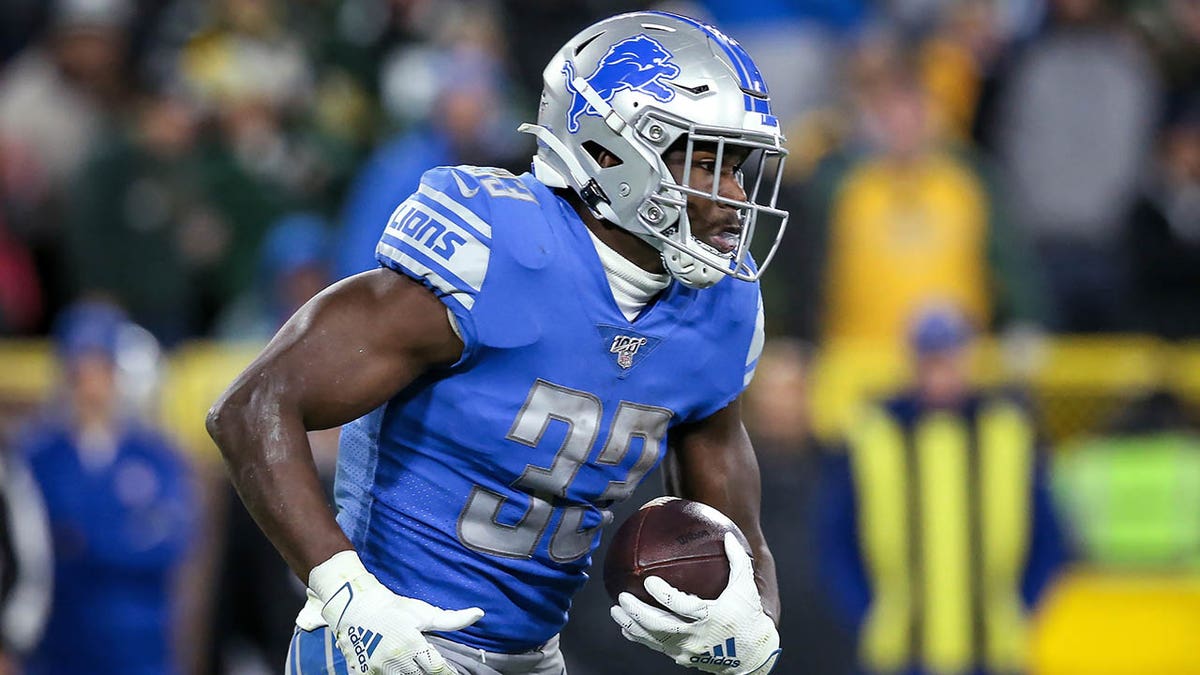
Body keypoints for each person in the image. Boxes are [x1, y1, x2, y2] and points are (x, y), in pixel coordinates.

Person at [207, 10, 787, 675]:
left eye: (738, 167)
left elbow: (740, 543)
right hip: (395, 644)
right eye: (707, 162)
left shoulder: (722, 306)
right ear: (610, 151)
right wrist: (346, 592)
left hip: (534, 658)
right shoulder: (499, 250)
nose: (735, 197)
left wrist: (755, 624)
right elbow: (251, 406)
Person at [815, 305, 1067, 675]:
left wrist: (1020, 606)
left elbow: (1049, 535)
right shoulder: (875, 435)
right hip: (902, 650)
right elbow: (835, 537)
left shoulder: (1006, 432)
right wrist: (867, 611)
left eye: (949, 359)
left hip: (991, 648)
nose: (941, 373)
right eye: (931, 360)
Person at [20, 302, 199, 675]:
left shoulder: (156, 456)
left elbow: (170, 541)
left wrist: (85, 540)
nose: (91, 383)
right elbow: (29, 551)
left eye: (100, 367)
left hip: (141, 648)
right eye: (80, 369)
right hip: (59, 647)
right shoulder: (37, 456)